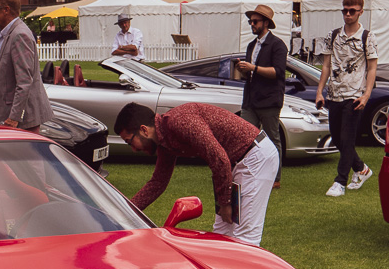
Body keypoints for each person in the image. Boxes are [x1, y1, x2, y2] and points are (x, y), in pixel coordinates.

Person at [115, 101, 278, 247]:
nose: (133, 149)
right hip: (234, 163)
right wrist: (122, 211)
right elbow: (158, 183)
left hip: (255, 157)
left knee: (245, 238)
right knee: (222, 234)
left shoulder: (180, 122)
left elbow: (218, 158)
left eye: (130, 141)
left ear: (143, 130)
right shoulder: (164, 140)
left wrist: (226, 202)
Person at [315, 0, 378, 198]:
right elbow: (325, 65)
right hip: (334, 94)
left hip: (354, 95)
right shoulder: (333, 35)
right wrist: (319, 91)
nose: (348, 14)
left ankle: (339, 182)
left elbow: (371, 68)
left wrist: (366, 95)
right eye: (345, 10)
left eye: (352, 11)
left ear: (361, 12)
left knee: (348, 139)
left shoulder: (367, 36)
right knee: (338, 137)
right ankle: (361, 169)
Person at [0, 0, 52, 131]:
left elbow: (24, 81)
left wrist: (14, 118)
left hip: (22, 121)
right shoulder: (8, 33)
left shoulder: (19, 35)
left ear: (6, 10)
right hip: (12, 118)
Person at [237, 4, 286, 189]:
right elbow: (251, 73)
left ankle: (275, 178)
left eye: (255, 21)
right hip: (250, 99)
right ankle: (248, 173)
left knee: (272, 139)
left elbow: (278, 72)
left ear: (266, 23)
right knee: (245, 137)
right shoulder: (252, 45)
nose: (252, 24)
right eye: (250, 21)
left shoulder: (277, 45)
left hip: (269, 100)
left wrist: (253, 68)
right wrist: (242, 70)